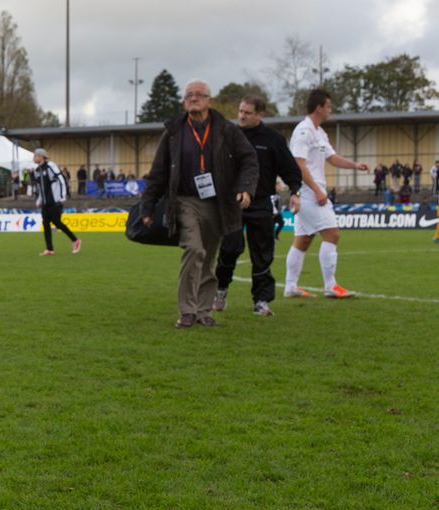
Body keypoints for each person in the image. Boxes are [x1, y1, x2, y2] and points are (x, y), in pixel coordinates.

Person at [140, 79, 258, 329]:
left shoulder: (227, 130)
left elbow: (249, 159)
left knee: (208, 258)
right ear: (184, 103)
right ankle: (187, 310)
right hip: (185, 201)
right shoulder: (173, 133)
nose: (193, 98)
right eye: (189, 95)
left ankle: (204, 311)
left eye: (199, 95)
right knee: (194, 249)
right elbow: (158, 172)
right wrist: (148, 206)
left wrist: (245, 188)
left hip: (217, 203)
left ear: (209, 100)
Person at [212, 95, 303, 317]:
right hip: (232, 203)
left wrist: (295, 191)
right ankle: (220, 290)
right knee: (230, 249)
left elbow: (290, 168)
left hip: (262, 202)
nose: (241, 116)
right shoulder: (227, 135)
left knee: (262, 253)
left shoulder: (272, 139)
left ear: (260, 115)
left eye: (247, 113)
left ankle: (261, 300)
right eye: (240, 111)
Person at [283, 89, 369, 300]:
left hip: (311, 191)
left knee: (302, 240)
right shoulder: (303, 131)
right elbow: (298, 164)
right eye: (329, 106)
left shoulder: (319, 132)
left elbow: (333, 158)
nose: (331, 109)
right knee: (332, 234)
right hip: (308, 192)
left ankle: (290, 287)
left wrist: (355, 165)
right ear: (319, 107)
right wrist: (318, 190)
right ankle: (330, 285)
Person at [32, 148, 80, 256]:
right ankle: (49, 249)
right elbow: (41, 188)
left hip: (55, 201)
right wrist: (39, 200)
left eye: (35, 155)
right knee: (46, 224)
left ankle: (75, 240)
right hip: (45, 203)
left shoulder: (51, 165)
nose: (34, 158)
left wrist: (63, 196)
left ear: (41, 156)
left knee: (57, 223)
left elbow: (61, 180)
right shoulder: (36, 171)